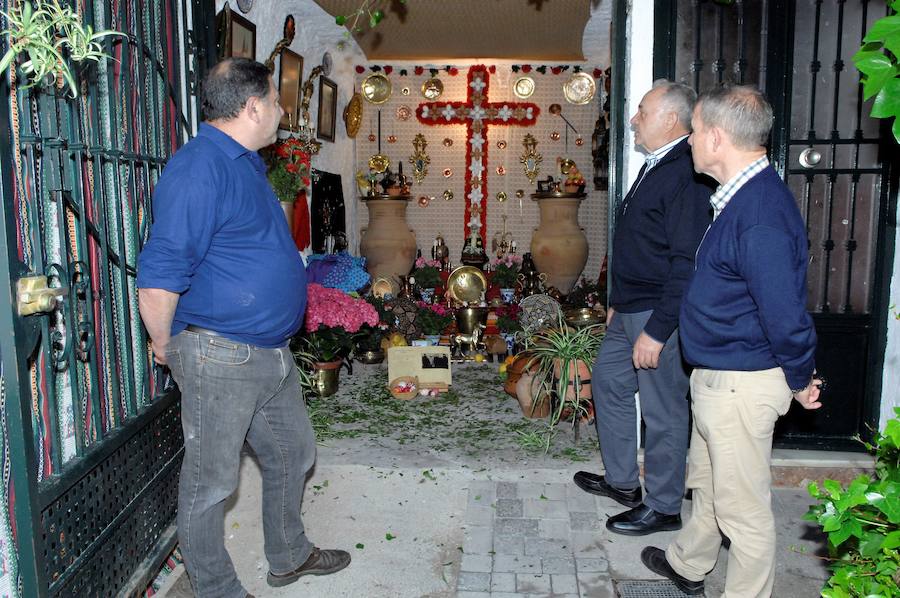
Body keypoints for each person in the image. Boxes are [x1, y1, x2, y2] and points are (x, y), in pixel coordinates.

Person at [136, 58, 350, 598]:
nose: (281, 110)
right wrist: (166, 344)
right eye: (276, 101)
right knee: (212, 485)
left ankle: (288, 555)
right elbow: (160, 274)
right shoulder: (198, 167)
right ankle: (216, 589)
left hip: (269, 353)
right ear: (252, 106)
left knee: (293, 453)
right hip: (220, 354)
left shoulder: (246, 162)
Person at [641, 85, 822, 597]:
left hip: (741, 384)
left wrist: (801, 375)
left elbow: (784, 314)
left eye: (695, 131)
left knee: (744, 513)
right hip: (721, 378)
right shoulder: (741, 196)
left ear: (716, 138)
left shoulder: (759, 213)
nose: (691, 140)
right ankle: (689, 563)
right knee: (708, 484)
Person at [573, 80, 713, 536]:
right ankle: (622, 482)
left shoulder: (685, 174)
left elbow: (685, 260)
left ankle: (665, 506)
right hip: (629, 310)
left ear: (671, 119)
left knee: (663, 412)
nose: (632, 119)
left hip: (657, 315)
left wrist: (658, 328)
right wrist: (618, 302)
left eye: (641, 111)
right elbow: (641, 245)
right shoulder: (657, 166)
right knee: (609, 382)